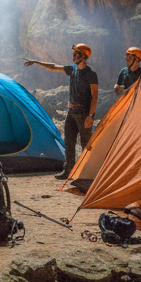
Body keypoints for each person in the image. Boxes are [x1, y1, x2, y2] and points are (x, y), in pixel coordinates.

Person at [23, 43, 98, 180]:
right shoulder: (72, 69)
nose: (73, 56)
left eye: (76, 54)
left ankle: (88, 173)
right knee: (69, 142)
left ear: (84, 56)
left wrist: (90, 115)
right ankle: (68, 170)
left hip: (84, 112)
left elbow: (94, 96)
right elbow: (53, 67)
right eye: (74, 54)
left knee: (85, 143)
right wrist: (36, 62)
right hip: (71, 111)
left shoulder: (90, 74)